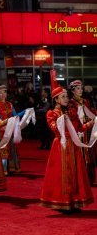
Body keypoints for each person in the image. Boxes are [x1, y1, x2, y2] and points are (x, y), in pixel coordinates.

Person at [40, 70, 94, 214]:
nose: (66, 99)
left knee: (76, 174)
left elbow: (80, 128)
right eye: (62, 97)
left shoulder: (71, 111)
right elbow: (55, 129)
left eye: (66, 96)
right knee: (62, 175)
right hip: (61, 146)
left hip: (74, 145)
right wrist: (61, 120)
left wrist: (93, 122)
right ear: (56, 99)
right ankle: (63, 203)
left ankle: (74, 202)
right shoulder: (52, 114)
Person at [0, 84, 24, 175]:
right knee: (3, 149)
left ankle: (11, 168)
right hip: (1, 131)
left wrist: (25, 112)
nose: (3, 94)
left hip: (10, 130)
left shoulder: (9, 104)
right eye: (0, 93)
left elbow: (15, 116)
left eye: (4, 92)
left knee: (12, 148)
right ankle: (3, 169)